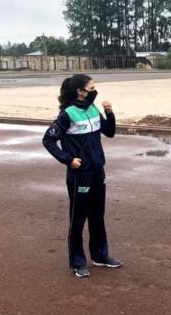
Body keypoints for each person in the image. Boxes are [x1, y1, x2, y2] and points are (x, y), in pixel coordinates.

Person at [42, 73, 122, 277]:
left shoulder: (93, 109)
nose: (95, 91)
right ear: (80, 91)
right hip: (80, 175)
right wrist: (68, 160)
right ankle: (78, 262)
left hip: (98, 171)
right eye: (92, 88)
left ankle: (100, 255)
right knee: (78, 219)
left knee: (97, 216)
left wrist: (109, 112)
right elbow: (48, 140)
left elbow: (109, 132)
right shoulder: (66, 115)